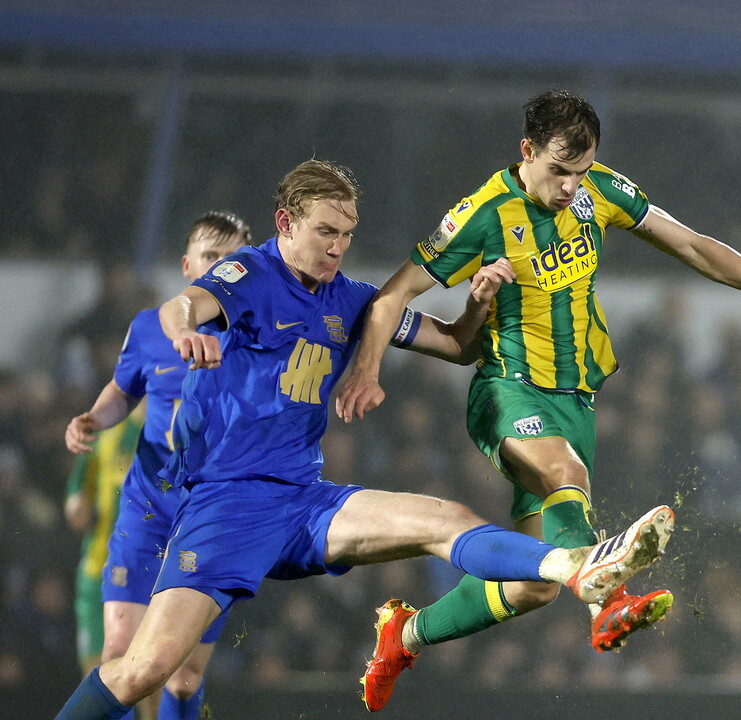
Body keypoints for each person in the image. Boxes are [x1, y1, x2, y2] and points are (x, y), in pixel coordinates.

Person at [53, 159, 675, 720]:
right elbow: (179, 308)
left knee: (445, 518)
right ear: (286, 223)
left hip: (304, 500)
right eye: (326, 232)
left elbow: (456, 346)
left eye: (347, 235)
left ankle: (575, 565)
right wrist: (188, 332)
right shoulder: (248, 273)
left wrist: (479, 302)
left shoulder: (351, 299)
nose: (338, 248)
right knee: (148, 672)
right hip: (228, 507)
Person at [336, 89, 741, 705]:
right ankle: (605, 603)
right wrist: (367, 371)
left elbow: (691, 245)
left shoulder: (599, 192)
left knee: (531, 584)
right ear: (527, 150)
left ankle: (407, 634)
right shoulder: (482, 213)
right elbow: (392, 295)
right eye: (559, 171)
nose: (569, 187)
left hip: (577, 400)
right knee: (567, 473)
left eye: (580, 172)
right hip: (508, 390)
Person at [63, 211, 252, 720]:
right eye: (210, 256)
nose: (221, 266)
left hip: (209, 516)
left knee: (185, 678)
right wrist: (93, 418)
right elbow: (123, 390)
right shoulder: (149, 328)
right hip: (146, 508)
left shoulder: (260, 336)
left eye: (232, 256)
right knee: (117, 653)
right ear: (188, 265)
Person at [63, 410, 144, 676]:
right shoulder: (104, 428)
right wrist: (78, 509)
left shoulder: (168, 426)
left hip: (142, 572)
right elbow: (77, 498)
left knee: (141, 676)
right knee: (96, 674)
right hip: (97, 568)